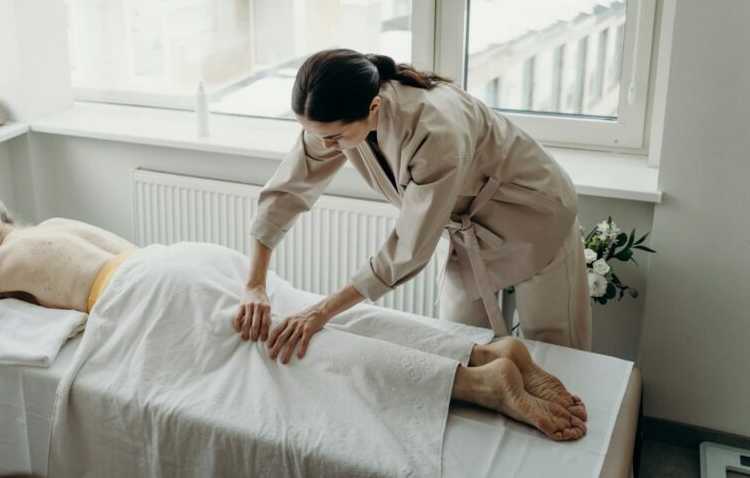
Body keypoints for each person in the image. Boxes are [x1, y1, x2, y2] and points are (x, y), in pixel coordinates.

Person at [0, 194, 588, 442]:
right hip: (182, 261)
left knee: (294, 357)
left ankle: (482, 385)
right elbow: (131, 256)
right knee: (309, 320)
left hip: (143, 293)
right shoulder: (54, 224)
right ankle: (480, 354)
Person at [236, 48, 591, 359]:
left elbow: (408, 248)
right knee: (462, 345)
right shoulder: (339, 114)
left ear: (373, 107)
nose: (325, 146)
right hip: (467, 229)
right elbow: (287, 190)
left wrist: (321, 312)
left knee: (555, 346)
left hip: (535, 215)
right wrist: (255, 284)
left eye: (334, 138)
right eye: (317, 136)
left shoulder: (434, 133)